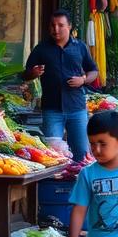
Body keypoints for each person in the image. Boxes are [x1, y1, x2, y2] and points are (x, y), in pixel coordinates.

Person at [24, 9, 99, 161]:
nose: (56, 29)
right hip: (52, 109)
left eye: (60, 25)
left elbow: (94, 71)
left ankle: (79, 183)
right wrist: (33, 73)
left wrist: (83, 80)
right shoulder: (41, 48)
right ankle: (55, 184)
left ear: (69, 26)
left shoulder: (80, 47)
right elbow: (25, 74)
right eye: (52, 25)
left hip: (77, 108)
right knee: (53, 155)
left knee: (82, 154)